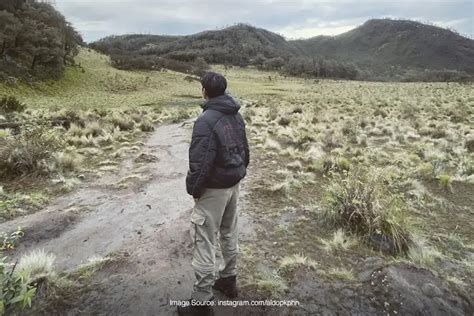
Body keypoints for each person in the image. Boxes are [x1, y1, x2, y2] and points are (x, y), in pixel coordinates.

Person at [178, 72, 249, 316]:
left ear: (205, 91)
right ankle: (228, 280)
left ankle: (201, 303)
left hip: (214, 189)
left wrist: (194, 190)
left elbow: (200, 161)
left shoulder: (206, 120)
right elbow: (245, 150)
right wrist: (240, 172)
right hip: (233, 184)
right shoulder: (235, 115)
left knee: (204, 240)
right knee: (229, 233)